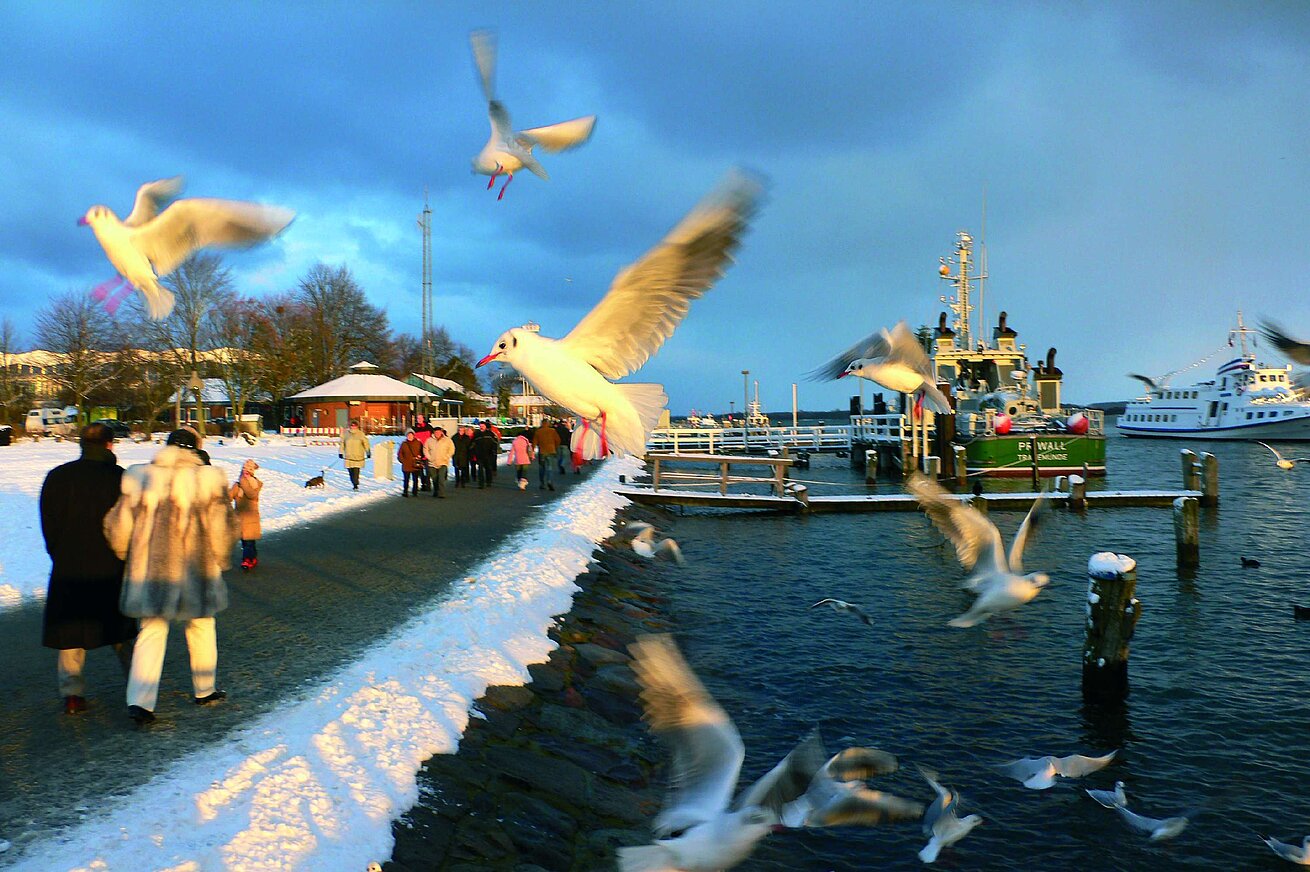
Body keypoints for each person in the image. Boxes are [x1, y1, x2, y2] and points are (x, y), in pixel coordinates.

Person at [104, 428, 238, 724]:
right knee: (202, 626)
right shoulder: (209, 479)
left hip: (153, 572)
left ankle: (140, 702)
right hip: (197, 570)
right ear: (196, 449)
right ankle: (205, 689)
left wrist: (128, 555)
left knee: (151, 631)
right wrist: (222, 558)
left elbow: (117, 526)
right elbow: (223, 529)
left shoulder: (140, 477)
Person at [39, 422, 137, 715]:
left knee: (71, 631)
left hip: (69, 565)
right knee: (122, 632)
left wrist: (59, 553)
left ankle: (72, 694)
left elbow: (49, 523)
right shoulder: (121, 478)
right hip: (110, 566)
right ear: (109, 445)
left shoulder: (57, 477)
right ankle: (138, 688)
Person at [230, 459, 262, 570]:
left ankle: (247, 560)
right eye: (244, 469)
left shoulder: (255, 484)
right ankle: (252, 558)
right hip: (239, 518)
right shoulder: (237, 485)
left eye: (248, 470)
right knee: (246, 542)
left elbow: (251, 494)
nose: (245, 472)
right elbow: (229, 497)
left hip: (250, 518)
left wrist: (244, 480)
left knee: (248, 542)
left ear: (252, 472)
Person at [425, 425, 455, 498]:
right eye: (436, 432)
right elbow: (425, 449)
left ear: (441, 432)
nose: (437, 434)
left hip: (443, 462)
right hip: (432, 463)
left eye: (439, 432)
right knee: (435, 479)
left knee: (441, 479)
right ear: (434, 433)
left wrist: (447, 456)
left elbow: (451, 449)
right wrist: (429, 457)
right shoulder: (429, 440)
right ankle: (436, 490)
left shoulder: (447, 440)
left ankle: (441, 493)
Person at [340, 420, 370, 490]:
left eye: (354, 425)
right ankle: (354, 482)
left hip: (358, 456)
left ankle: (355, 484)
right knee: (350, 472)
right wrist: (340, 452)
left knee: (356, 471)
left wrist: (368, 452)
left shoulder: (361, 434)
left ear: (357, 426)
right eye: (352, 425)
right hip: (348, 456)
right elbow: (342, 443)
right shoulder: (346, 434)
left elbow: (366, 443)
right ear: (350, 426)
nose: (353, 427)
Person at [533, 419, 561, 491]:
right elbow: (558, 440)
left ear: (542, 424)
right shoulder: (552, 431)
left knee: (542, 468)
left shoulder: (538, 432)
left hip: (542, 451)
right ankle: (549, 481)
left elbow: (534, 442)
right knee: (550, 468)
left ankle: (542, 483)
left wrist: (532, 450)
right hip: (551, 451)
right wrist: (555, 447)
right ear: (548, 424)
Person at [472, 423, 500, 488]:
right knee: (480, 469)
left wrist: (494, 451)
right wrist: (473, 451)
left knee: (488, 468)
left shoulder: (490, 434)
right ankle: (481, 484)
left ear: (485, 427)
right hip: (479, 455)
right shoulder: (477, 434)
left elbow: (495, 443)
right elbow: (473, 443)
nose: (481, 427)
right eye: (480, 426)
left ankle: (488, 481)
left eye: (483, 426)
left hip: (488, 454)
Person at [397, 429, 423, 496]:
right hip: (406, 464)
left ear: (414, 436)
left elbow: (422, 452)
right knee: (406, 479)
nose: (410, 437)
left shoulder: (418, 443)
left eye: (411, 435)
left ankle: (415, 491)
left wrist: (420, 456)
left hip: (415, 463)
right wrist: (402, 461)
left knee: (415, 479)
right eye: (408, 435)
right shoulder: (404, 444)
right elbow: (400, 453)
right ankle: (405, 491)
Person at [412, 414, 435, 491]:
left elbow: (433, 438)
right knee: (420, 470)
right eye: (417, 418)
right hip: (418, 453)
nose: (418, 419)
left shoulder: (429, 427)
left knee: (428, 470)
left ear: (423, 419)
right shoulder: (414, 429)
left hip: (427, 452)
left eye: (420, 418)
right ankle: (423, 484)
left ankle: (428, 484)